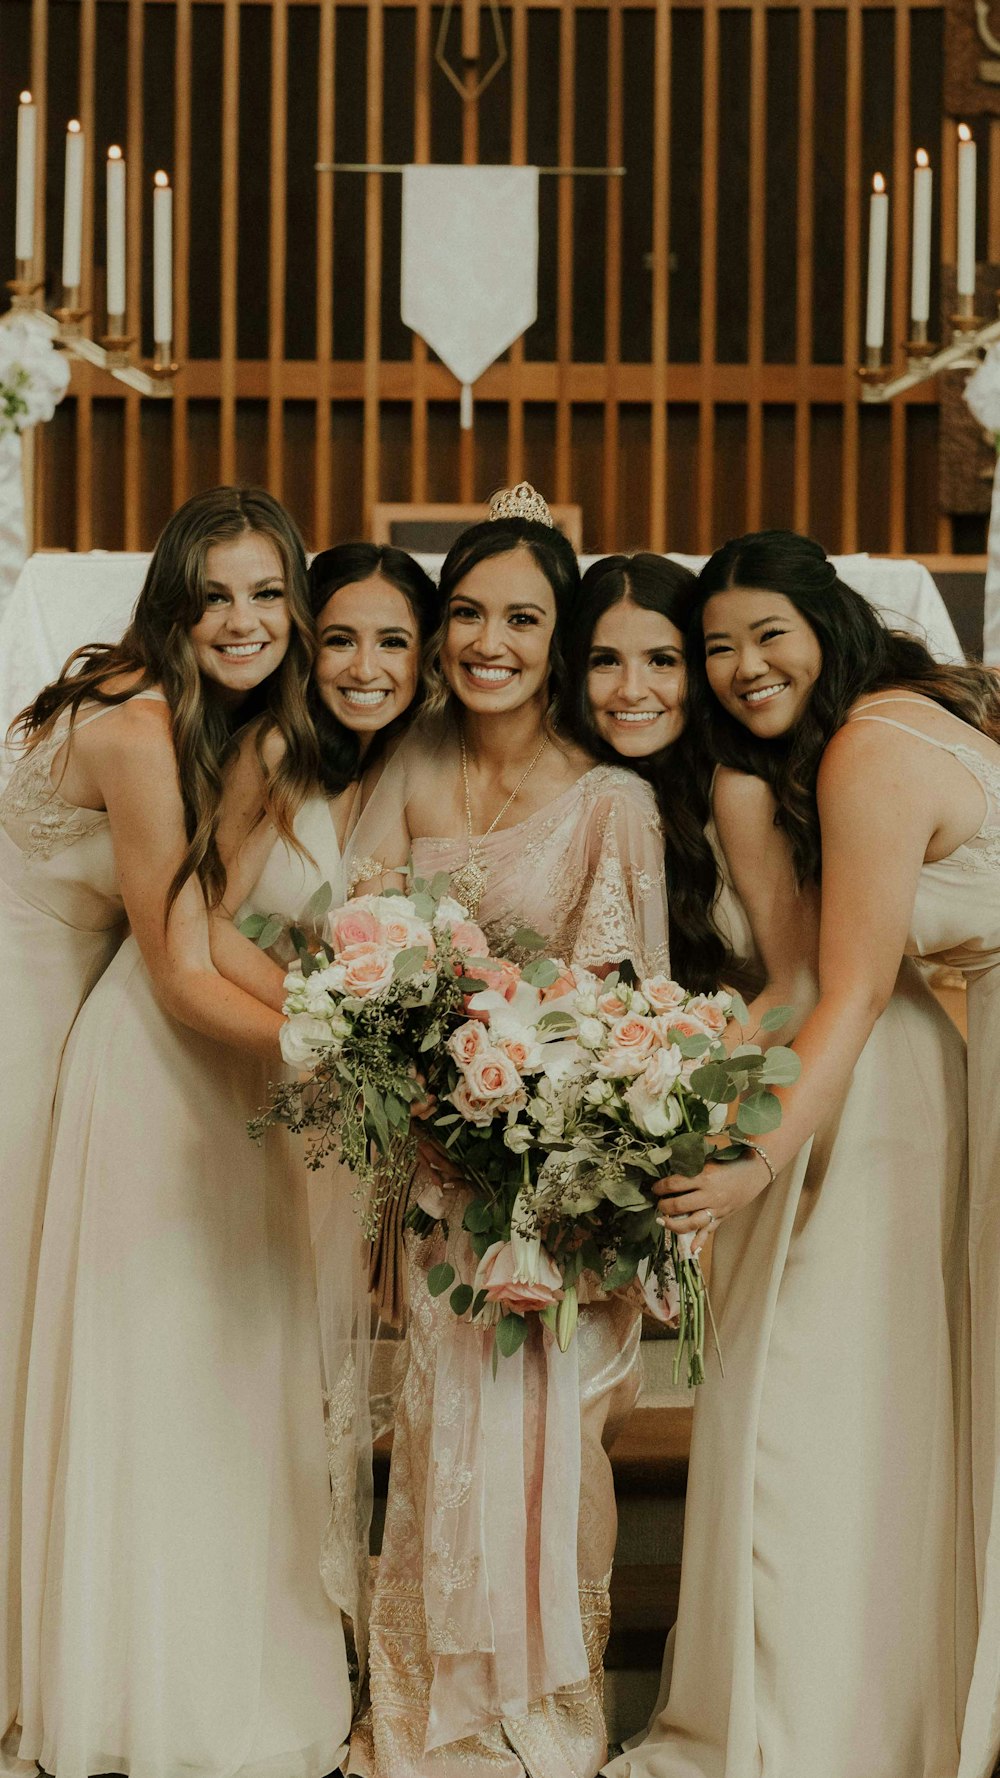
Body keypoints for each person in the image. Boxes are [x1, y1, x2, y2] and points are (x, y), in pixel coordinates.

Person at [607, 529, 983, 1778]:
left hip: (874, 1089)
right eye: (713, 646)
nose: (737, 666)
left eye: (765, 633)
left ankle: (814, 1722)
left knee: (813, 1400)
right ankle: (869, 1710)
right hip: (906, 1077)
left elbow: (841, 990)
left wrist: (748, 1162)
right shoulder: (893, 723)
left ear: (826, 624)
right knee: (879, 1403)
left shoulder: (871, 749)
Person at [16, 491, 360, 1778]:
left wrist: (350, 1026)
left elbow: (206, 929)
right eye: (215, 594)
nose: (244, 619)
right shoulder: (144, 722)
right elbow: (175, 959)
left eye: (268, 592)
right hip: (32, 1017)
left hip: (120, 1010)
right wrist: (342, 1042)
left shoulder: (227, 726)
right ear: (174, 601)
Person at [345, 484, 670, 1778]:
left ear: (560, 631)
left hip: (554, 1191)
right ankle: (434, 1720)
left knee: (543, 1453)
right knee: (435, 1443)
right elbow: (354, 966)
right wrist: (395, 1178)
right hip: (431, 1179)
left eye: (523, 617)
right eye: (467, 612)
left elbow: (617, 994)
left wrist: (544, 1154)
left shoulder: (610, 799)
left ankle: (542, 1718)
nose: (490, 640)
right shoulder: (407, 765)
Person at [207, 540, 441, 1678]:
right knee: (238, 1354)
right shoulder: (273, 754)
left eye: (391, 639)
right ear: (304, 645)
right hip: (230, 1072)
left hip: (339, 1107)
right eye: (338, 637)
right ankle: (230, 1628)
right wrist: (319, 1026)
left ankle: (321, 1636)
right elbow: (202, 921)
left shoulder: (423, 771)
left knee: (321, 1376)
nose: (363, 664)